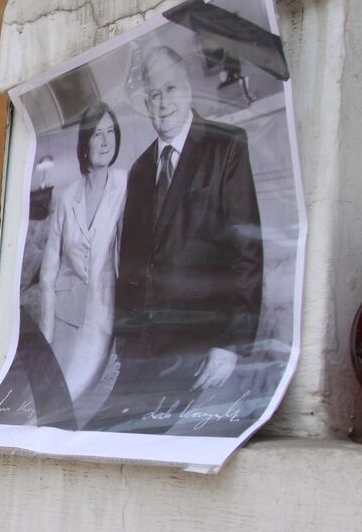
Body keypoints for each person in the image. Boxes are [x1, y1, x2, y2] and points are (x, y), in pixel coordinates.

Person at [89, 44, 263, 433]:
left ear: (187, 89)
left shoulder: (226, 146)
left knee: (147, 442)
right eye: (153, 94)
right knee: (99, 437)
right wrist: (123, 338)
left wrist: (230, 344)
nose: (162, 102)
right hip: (141, 350)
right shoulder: (139, 169)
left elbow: (246, 253)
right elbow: (132, 262)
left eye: (170, 89)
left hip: (197, 345)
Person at [37, 101, 128, 408]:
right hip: (64, 316)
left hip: (105, 312)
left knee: (81, 392)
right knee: (55, 395)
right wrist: (46, 334)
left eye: (110, 132)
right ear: (85, 143)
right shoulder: (65, 197)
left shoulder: (125, 184)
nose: (105, 141)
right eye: (97, 134)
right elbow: (49, 271)